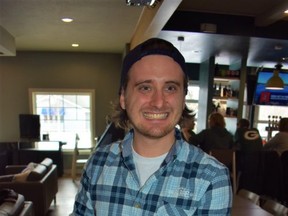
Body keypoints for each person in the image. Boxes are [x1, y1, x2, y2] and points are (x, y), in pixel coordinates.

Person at [71, 38, 232, 215]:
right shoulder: (97, 163)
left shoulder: (212, 177)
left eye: (170, 88)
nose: (158, 103)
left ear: (183, 98)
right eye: (145, 88)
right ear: (124, 97)